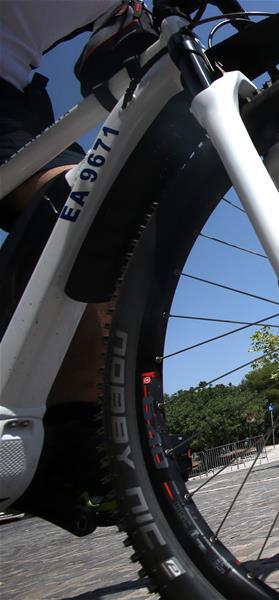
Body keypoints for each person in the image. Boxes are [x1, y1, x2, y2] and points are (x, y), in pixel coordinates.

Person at [1, 0, 124, 532]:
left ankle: (79, 432)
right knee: (74, 202)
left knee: (103, 216)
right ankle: (72, 432)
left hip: (18, 97)